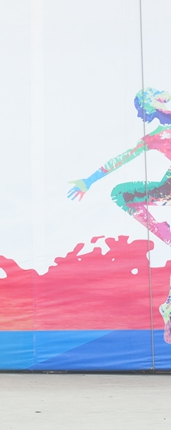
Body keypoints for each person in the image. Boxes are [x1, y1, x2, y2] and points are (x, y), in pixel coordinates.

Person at [67, 87, 171, 334]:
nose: (138, 115)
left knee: (120, 194)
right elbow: (123, 157)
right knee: (120, 193)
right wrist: (90, 180)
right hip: (168, 187)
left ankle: (168, 305)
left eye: (139, 109)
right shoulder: (156, 136)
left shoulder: (158, 133)